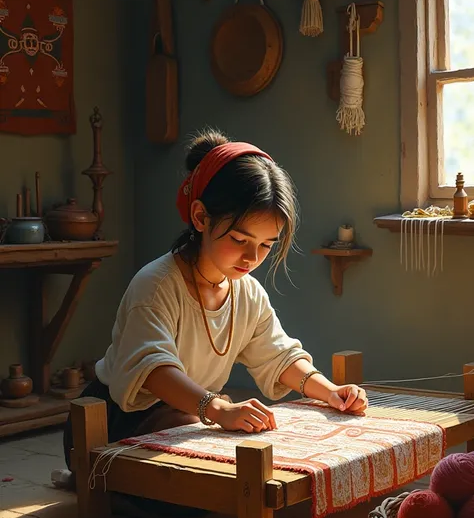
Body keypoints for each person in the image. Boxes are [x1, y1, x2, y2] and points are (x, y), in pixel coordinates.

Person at [62, 128, 368, 479]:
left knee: (226, 463)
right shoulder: (157, 284)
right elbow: (155, 370)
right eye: (240, 239)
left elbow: (278, 356)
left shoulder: (247, 293)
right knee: (209, 466)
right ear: (200, 217)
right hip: (114, 422)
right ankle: (100, 483)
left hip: (189, 416)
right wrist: (219, 408)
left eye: (267, 245)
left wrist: (331, 393)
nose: (252, 257)